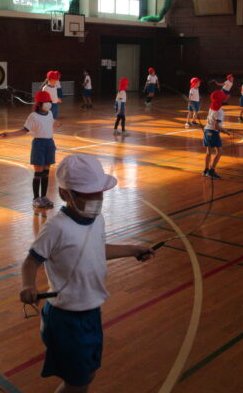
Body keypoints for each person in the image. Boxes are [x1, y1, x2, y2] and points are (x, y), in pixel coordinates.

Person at [19, 154, 155, 393]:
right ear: (65, 194)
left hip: (91, 313)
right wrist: (28, 285)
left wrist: (133, 250)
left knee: (87, 375)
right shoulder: (56, 227)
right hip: (65, 319)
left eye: (99, 193)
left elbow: (97, 249)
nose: (96, 199)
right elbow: (31, 262)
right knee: (78, 383)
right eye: (88, 194)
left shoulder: (97, 219)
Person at [0, 91, 56, 209]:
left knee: (46, 172)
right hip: (39, 145)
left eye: (49, 101)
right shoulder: (33, 116)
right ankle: (36, 198)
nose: (48, 103)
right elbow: (24, 130)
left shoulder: (50, 113)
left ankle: (44, 196)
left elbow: (50, 125)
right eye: (45, 101)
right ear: (39, 104)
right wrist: (8, 134)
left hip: (49, 144)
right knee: (38, 172)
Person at [203, 90, 231, 179]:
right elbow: (216, 126)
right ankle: (212, 171)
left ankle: (205, 170)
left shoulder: (211, 107)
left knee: (208, 152)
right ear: (221, 100)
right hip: (213, 132)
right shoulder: (220, 112)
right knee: (219, 152)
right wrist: (225, 131)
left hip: (207, 130)